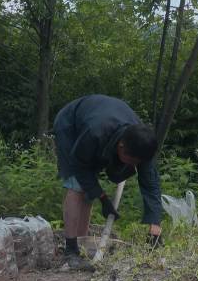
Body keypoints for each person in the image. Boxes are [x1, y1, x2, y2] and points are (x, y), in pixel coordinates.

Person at [53, 94, 163, 270]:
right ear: (121, 147)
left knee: (88, 191)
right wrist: (103, 198)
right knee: (77, 184)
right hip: (71, 126)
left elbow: (151, 184)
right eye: (132, 161)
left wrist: (154, 224)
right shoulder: (95, 132)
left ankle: (82, 245)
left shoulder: (142, 144)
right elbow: (81, 168)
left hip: (102, 124)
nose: (134, 166)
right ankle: (71, 251)